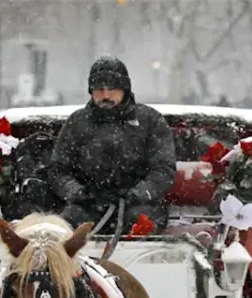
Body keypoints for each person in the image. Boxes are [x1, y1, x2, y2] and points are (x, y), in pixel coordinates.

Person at [50, 56, 176, 234]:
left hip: (141, 207)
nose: (106, 95)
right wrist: (78, 193)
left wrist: (137, 194)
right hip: (88, 207)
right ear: (91, 91)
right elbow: (58, 170)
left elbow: (164, 170)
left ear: (125, 89)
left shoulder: (150, 120)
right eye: (99, 89)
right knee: (62, 229)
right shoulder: (77, 123)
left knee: (139, 223)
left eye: (112, 89)